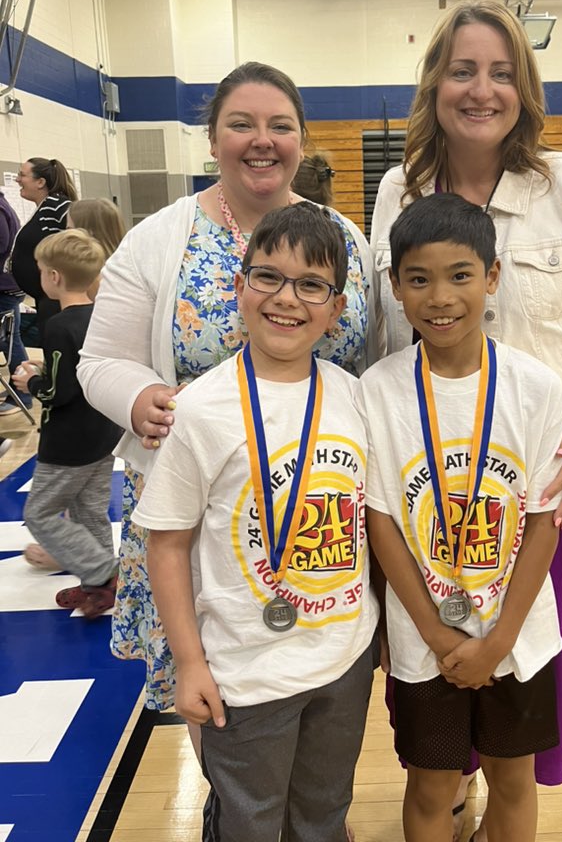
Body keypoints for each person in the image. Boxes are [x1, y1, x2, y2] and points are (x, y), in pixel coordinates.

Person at [370, 0, 562, 811]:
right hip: (433, 484)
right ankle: (450, 781)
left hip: (556, 478)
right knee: (441, 646)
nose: (481, 89)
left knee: (529, 653)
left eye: (500, 73)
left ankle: (512, 794)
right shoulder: (398, 189)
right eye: (462, 70)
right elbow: (388, 330)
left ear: (524, 88)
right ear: (435, 84)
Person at [78, 60, 380, 716]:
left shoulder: (346, 240)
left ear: (301, 141)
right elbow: (99, 360)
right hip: (197, 502)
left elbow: (372, 361)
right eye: (242, 124)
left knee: (326, 666)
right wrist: (140, 398)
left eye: (280, 126)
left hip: (319, 502)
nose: (262, 140)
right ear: (213, 139)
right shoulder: (158, 239)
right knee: (211, 685)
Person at [133, 202, 378, 841]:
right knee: (249, 823)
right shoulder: (201, 408)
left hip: (344, 657)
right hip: (245, 672)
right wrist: (189, 663)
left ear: (336, 307)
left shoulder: (353, 395)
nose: (287, 298)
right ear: (239, 286)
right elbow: (167, 546)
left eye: (312, 285)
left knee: (325, 814)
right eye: (268, 277)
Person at [360, 193, 562, 842]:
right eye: (419, 279)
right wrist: (439, 636)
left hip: (518, 632)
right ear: (395, 287)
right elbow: (382, 523)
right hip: (425, 638)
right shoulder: (377, 389)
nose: (440, 297)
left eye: (460, 275)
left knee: (513, 779)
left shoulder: (537, 387)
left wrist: (499, 641)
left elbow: (544, 520)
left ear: (493, 276)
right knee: (430, 784)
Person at [12, 230, 121, 618]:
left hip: (68, 444)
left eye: (41, 269)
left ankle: (103, 570)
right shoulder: (101, 316)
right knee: (90, 512)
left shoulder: (59, 326)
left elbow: (58, 392)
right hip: (103, 433)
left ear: (54, 277)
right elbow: (82, 372)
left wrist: (32, 381)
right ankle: (100, 587)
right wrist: (49, 369)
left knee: (39, 514)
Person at [9, 157, 78, 347]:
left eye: (22, 175)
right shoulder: (46, 207)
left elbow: (78, 242)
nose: (17, 179)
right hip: (46, 297)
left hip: (56, 300)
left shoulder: (57, 206)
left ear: (40, 182)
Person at [0, 188, 32, 424]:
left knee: (9, 341)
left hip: (5, 287)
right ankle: (17, 388)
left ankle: (22, 393)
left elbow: (2, 244)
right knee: (10, 340)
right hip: (8, 285)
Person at [68, 198, 127, 297]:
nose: (65, 235)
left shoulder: (91, 276)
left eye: (69, 229)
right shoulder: (126, 266)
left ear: (88, 232)